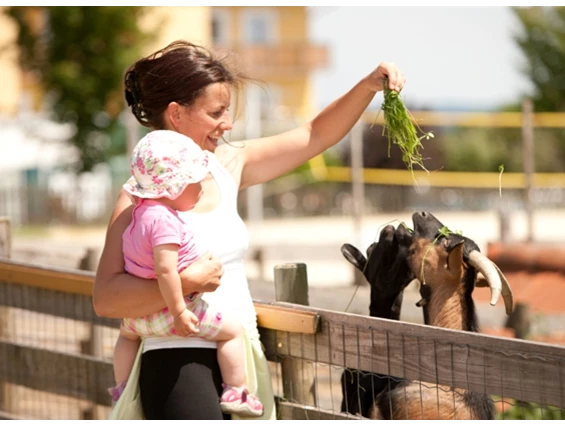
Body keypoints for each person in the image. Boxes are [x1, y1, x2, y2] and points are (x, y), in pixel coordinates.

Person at [93, 39, 405, 420]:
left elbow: (315, 135)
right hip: (179, 362)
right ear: (176, 114)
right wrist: (187, 281)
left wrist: (368, 86)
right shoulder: (141, 197)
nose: (227, 123)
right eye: (216, 112)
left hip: (239, 355)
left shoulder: (228, 163)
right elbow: (106, 298)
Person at [108, 129, 263, 418]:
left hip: (138, 320)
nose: (202, 188)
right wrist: (180, 311)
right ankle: (235, 389)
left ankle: (121, 386)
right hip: (172, 315)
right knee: (231, 331)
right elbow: (166, 269)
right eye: (195, 184)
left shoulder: (139, 213)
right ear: (173, 188)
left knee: (126, 337)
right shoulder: (164, 221)